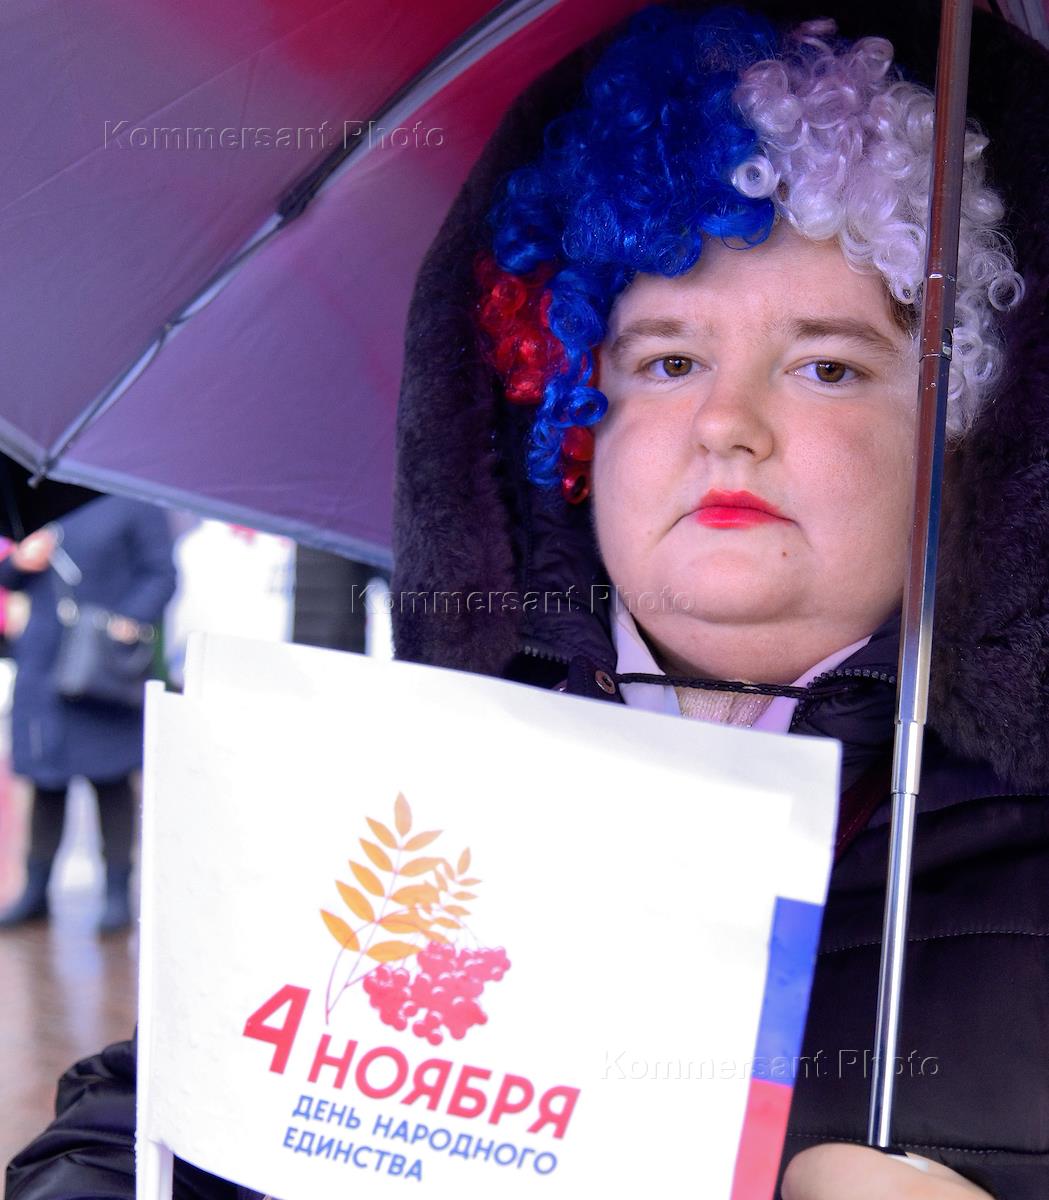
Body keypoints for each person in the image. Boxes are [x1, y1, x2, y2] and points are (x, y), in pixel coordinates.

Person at [6, 4, 1048, 1199]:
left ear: (960, 433)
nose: (727, 424)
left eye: (827, 366)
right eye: (667, 360)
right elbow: (131, 1133)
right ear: (573, 415)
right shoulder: (404, 796)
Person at [0, 495, 177, 934]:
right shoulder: (39, 505)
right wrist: (21, 560)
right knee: (47, 779)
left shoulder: (134, 501)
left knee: (111, 780)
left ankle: (117, 891)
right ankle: (36, 889)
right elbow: (9, 579)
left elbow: (162, 574)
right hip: (43, 664)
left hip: (102, 664)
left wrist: (128, 620)